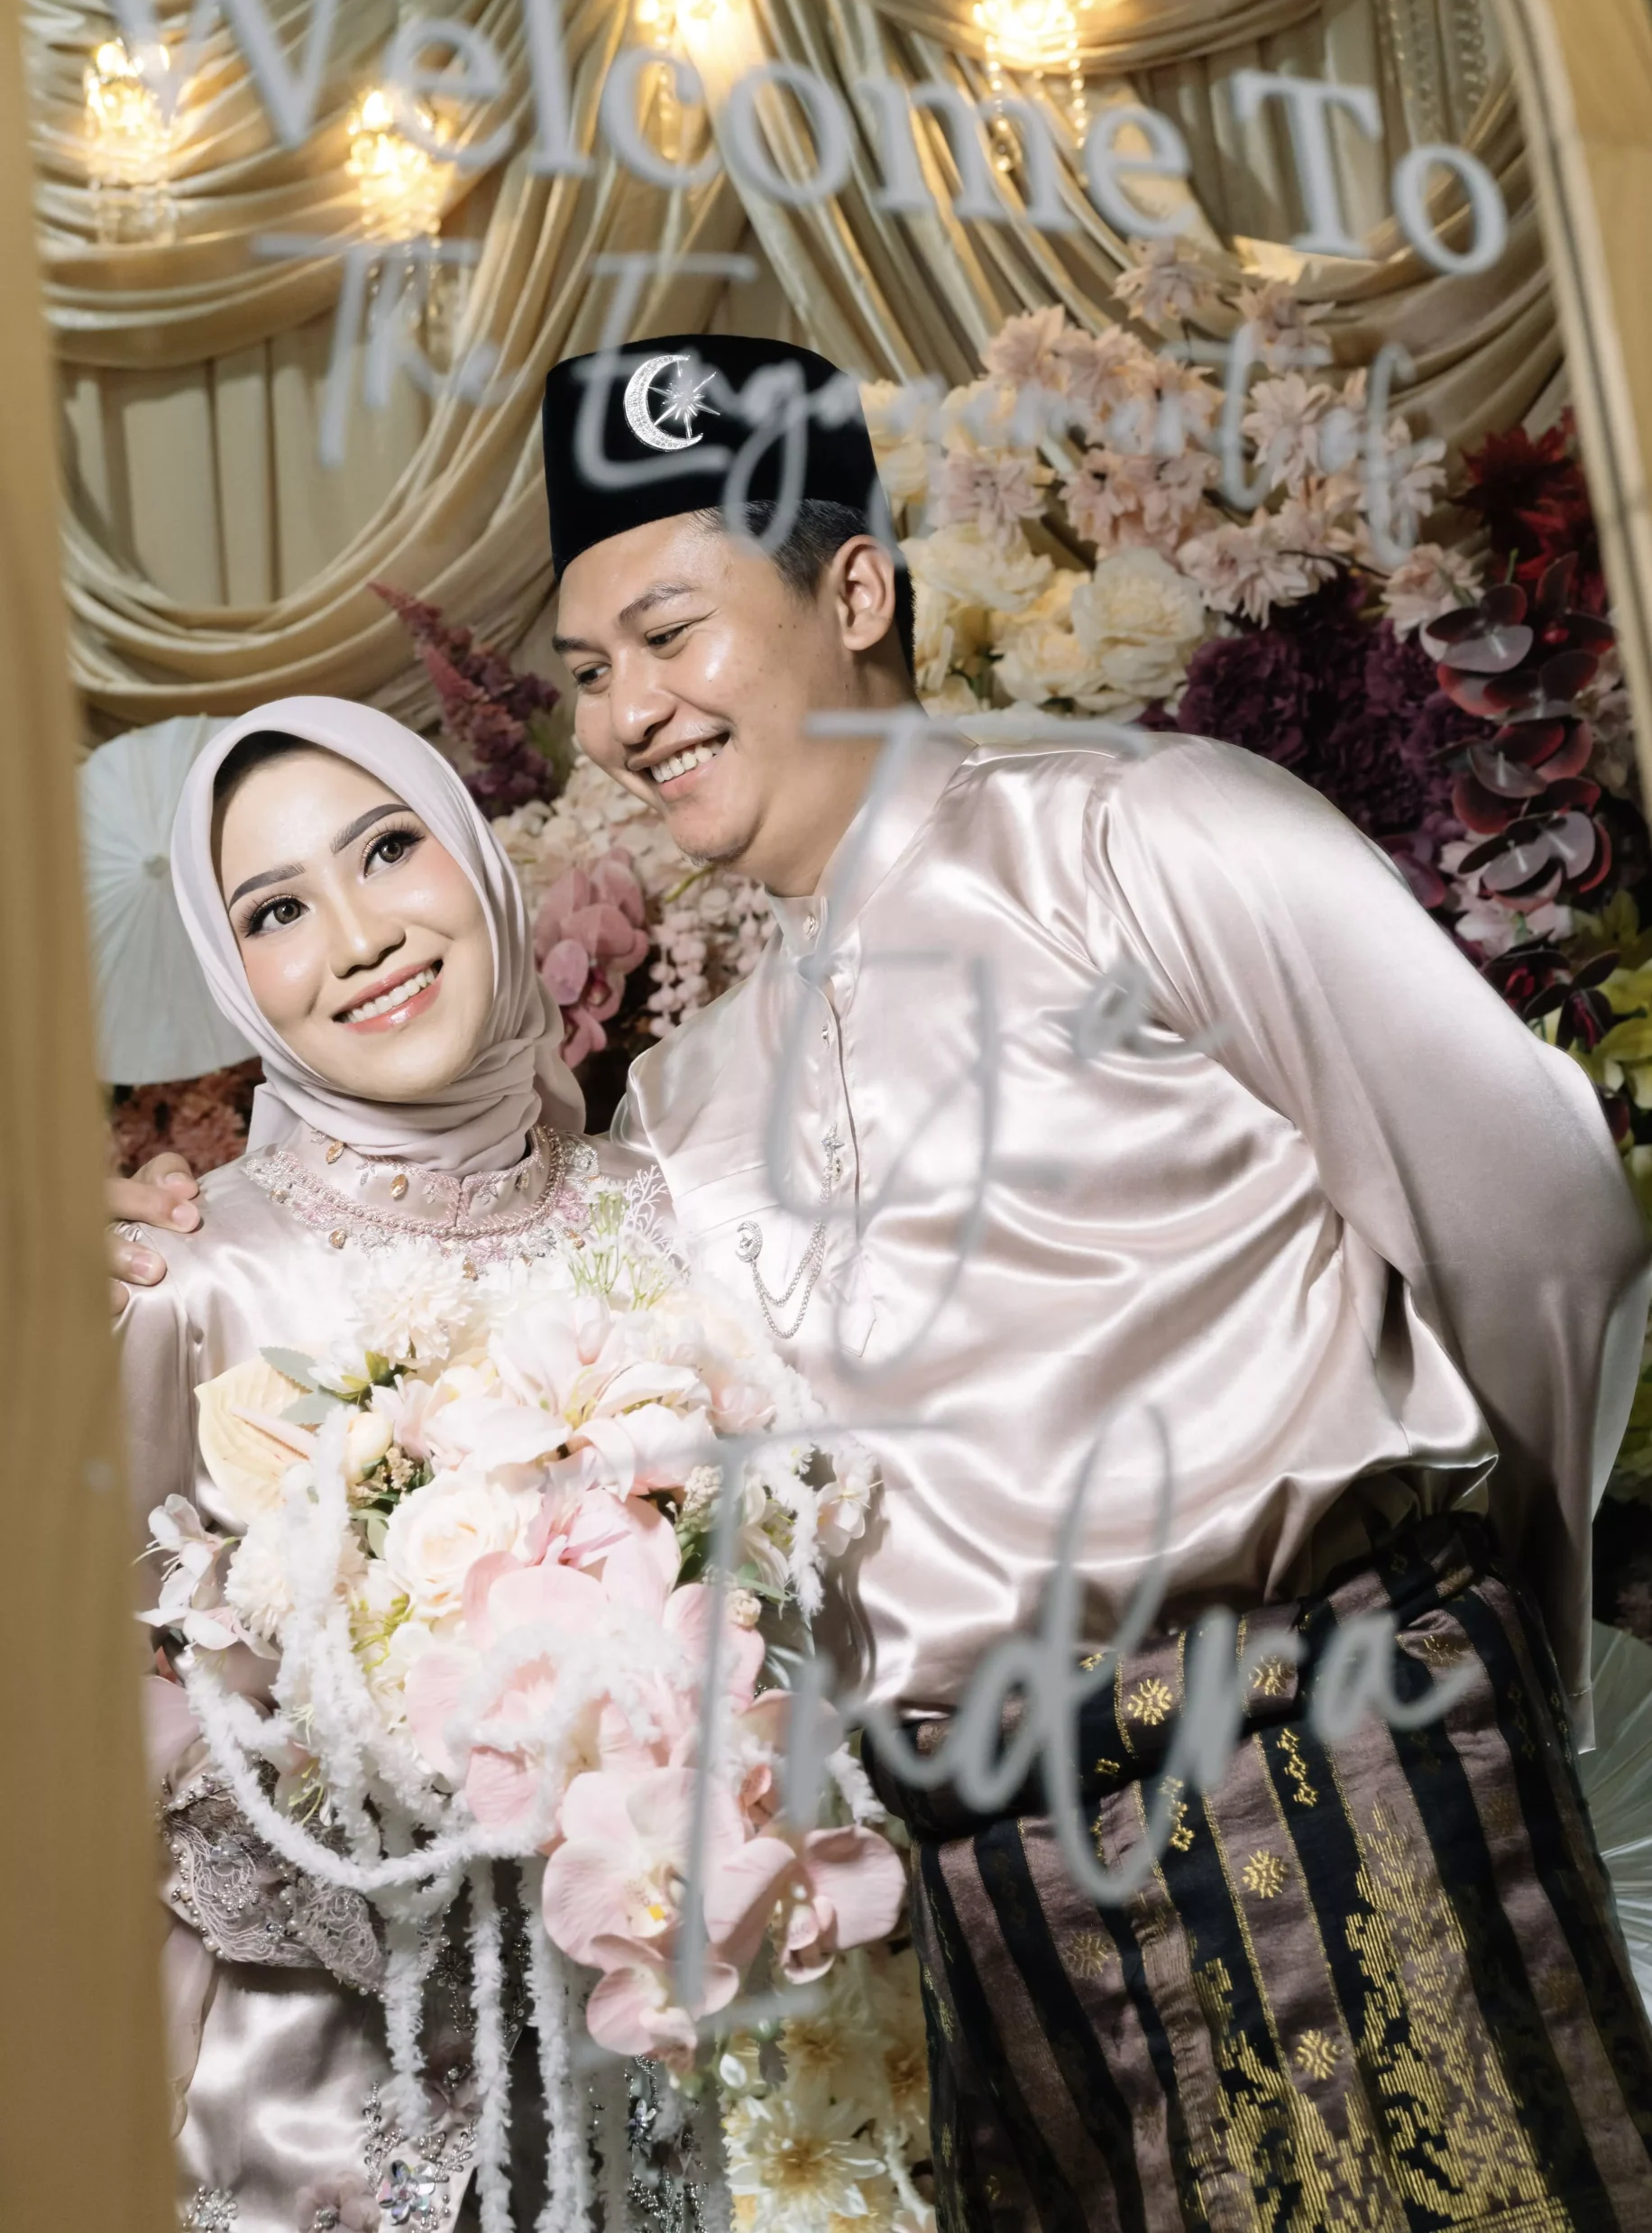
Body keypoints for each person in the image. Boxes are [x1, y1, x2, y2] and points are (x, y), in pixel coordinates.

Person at [537, 335, 1652, 2222]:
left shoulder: (1141, 833)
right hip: (992, 1911)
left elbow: (1545, 1213)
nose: (624, 716)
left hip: (1328, 1780)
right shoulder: (681, 1096)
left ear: (856, 591)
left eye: (668, 633)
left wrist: (1495, 1620)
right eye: (584, 674)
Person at [116, 696, 583, 2233]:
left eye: (389, 849)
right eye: (276, 911)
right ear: (230, 968)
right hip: (329, 2139)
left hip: (686, 2090)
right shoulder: (189, 1285)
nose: (362, 937)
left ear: (479, 857)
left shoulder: (664, 1206)